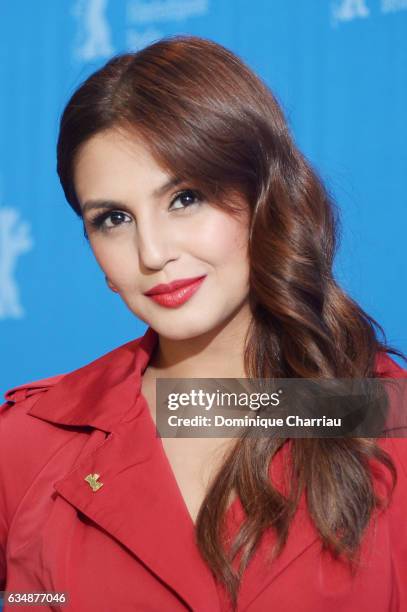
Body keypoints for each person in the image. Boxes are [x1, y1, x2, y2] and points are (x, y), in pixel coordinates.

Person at [1, 35, 406, 612]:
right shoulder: (31, 442)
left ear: (265, 197)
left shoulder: (386, 416)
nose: (152, 251)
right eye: (113, 218)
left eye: (185, 198)